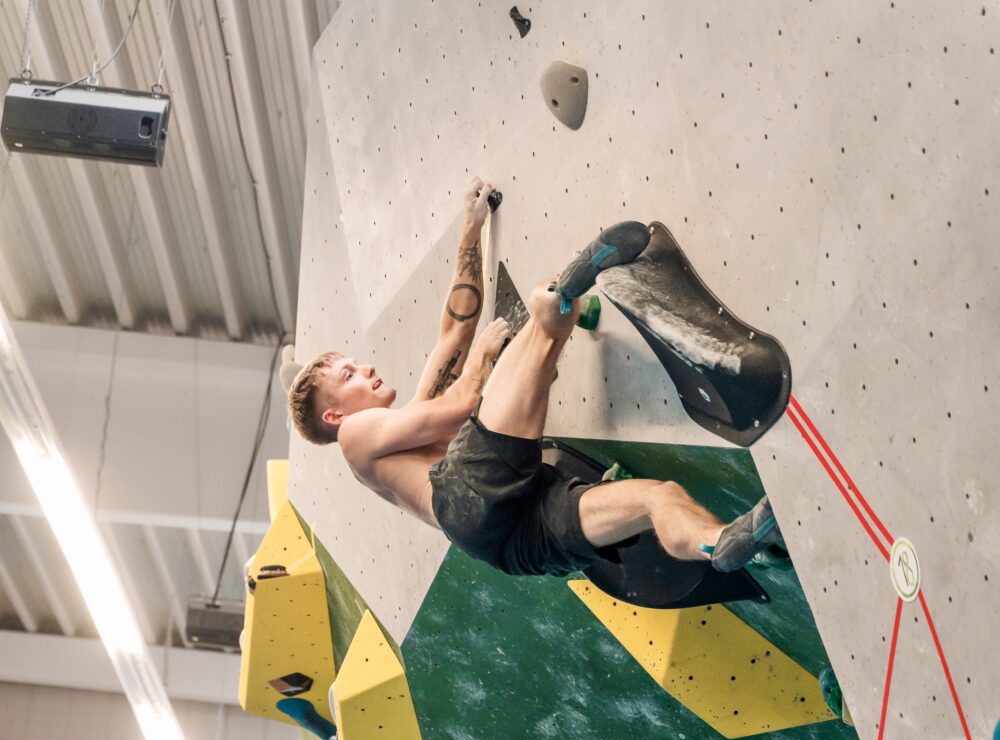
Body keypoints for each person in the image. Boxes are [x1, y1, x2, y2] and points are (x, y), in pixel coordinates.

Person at [288, 177, 782, 578]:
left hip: (507, 540)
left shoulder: (398, 432)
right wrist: (483, 361)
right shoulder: (354, 436)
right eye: (349, 374)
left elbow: (455, 328)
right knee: (543, 324)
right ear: (334, 414)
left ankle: (720, 543)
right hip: (465, 496)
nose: (367, 368)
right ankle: (562, 294)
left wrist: (470, 230)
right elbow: (460, 405)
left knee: (658, 498)